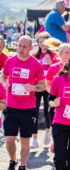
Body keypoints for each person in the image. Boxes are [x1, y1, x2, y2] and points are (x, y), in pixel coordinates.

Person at [0, 36, 47, 170]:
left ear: (31, 48)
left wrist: (33, 87)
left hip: (28, 108)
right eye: (19, 46)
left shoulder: (36, 64)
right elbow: (4, 75)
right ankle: (13, 160)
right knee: (9, 139)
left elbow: (43, 85)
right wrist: (4, 83)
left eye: (24, 47)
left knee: (25, 139)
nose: (21, 49)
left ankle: (22, 165)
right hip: (11, 106)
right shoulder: (10, 61)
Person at [31, 32, 60, 148]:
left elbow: (59, 69)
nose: (42, 44)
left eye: (44, 41)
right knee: (35, 111)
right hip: (37, 86)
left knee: (49, 110)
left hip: (49, 86)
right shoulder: (35, 55)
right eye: (40, 41)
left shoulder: (53, 55)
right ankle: (34, 138)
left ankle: (48, 131)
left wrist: (50, 63)